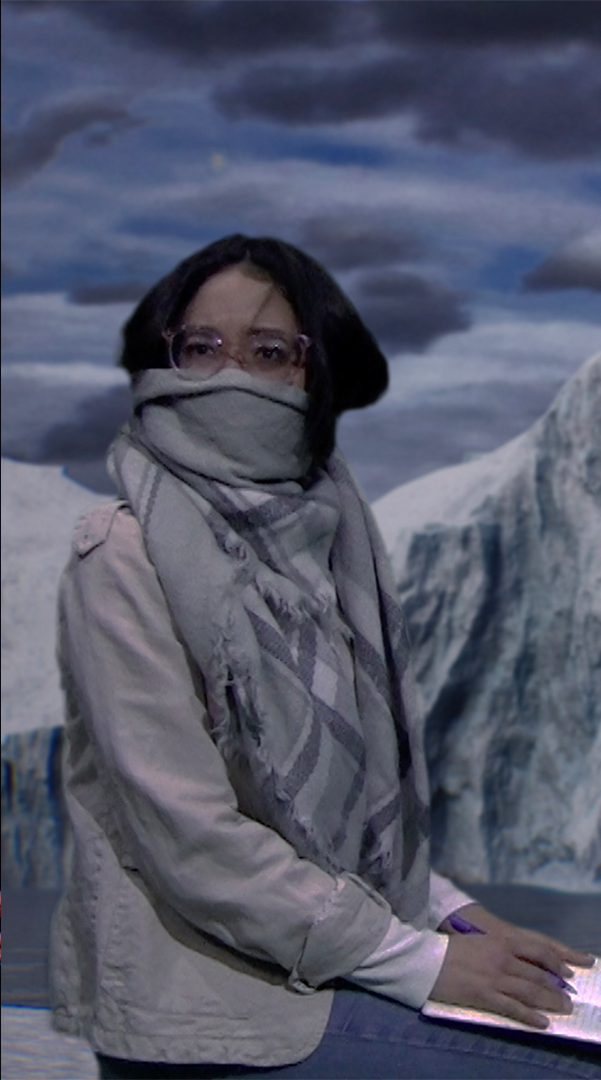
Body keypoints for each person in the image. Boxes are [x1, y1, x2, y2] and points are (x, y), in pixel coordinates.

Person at [52, 233, 601, 1078]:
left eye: (269, 351)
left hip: (325, 968)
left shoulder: (332, 539)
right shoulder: (123, 553)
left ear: (315, 375)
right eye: (201, 347)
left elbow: (346, 827)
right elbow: (193, 840)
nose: (229, 372)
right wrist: (428, 963)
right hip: (216, 1006)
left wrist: (456, 918)